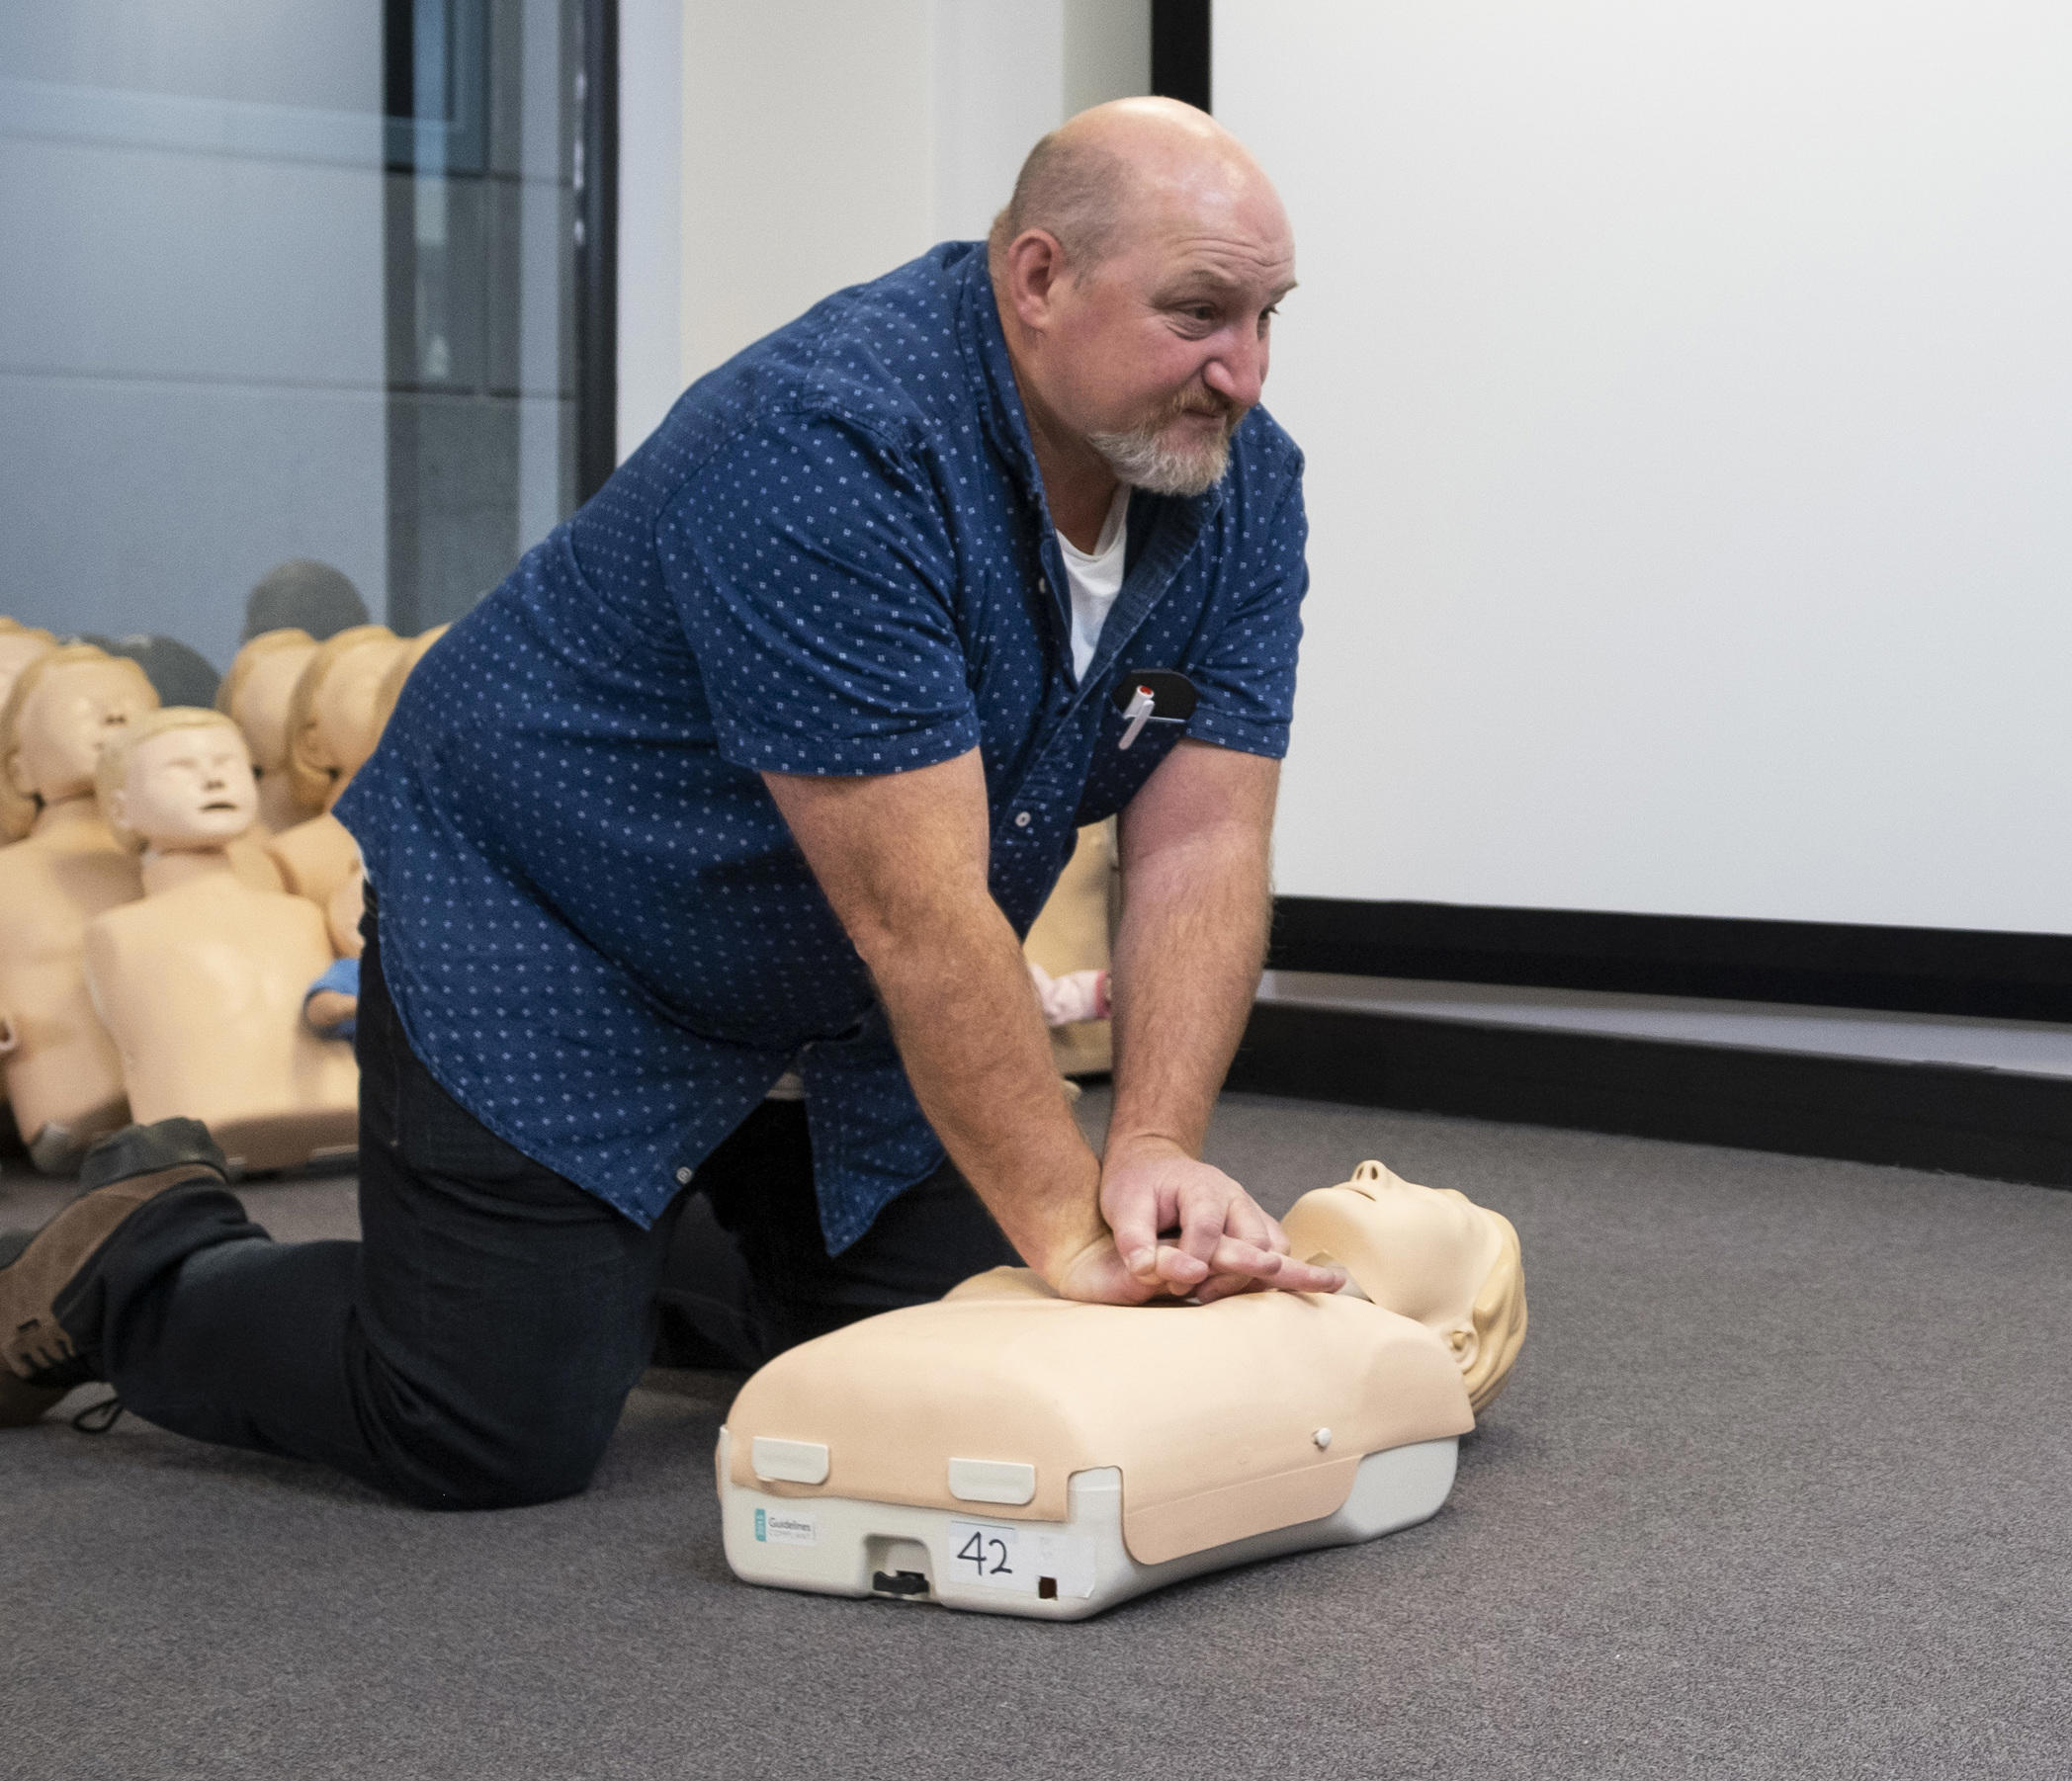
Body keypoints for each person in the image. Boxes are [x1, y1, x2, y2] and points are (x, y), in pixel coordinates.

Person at [0, 99, 1343, 1503]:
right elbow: (921, 914)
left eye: (1267, 318)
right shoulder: (835, 441)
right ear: (1040, 278)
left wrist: (1148, 1152)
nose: (1240, 373)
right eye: (1199, 314)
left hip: (830, 982)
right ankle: (129, 1261)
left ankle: (614, 1249)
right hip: (561, 920)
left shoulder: (1244, 488)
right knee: (486, 1424)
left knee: (942, 1354)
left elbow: (1202, 840)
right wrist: (1077, 1233)